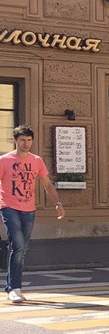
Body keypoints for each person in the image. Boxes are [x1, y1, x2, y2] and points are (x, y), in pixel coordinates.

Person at [0, 126, 65, 304]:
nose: (26, 143)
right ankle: (15, 288)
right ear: (15, 140)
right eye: (22, 140)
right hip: (9, 206)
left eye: (29, 140)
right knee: (18, 245)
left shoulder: (36, 161)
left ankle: (12, 287)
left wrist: (58, 203)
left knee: (21, 248)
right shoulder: (4, 161)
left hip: (29, 209)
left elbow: (47, 184)